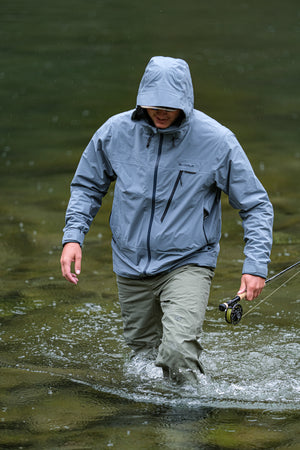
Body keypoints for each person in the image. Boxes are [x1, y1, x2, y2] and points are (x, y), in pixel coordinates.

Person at [60, 56, 273, 384]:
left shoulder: (217, 141)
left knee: (176, 353)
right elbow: (87, 187)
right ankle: (154, 425)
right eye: (153, 104)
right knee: (142, 362)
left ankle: (186, 425)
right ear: (141, 99)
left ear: (185, 102)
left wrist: (255, 265)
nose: (160, 111)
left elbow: (256, 205)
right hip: (130, 265)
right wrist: (73, 236)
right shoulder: (114, 133)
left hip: (188, 262)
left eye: (169, 105)